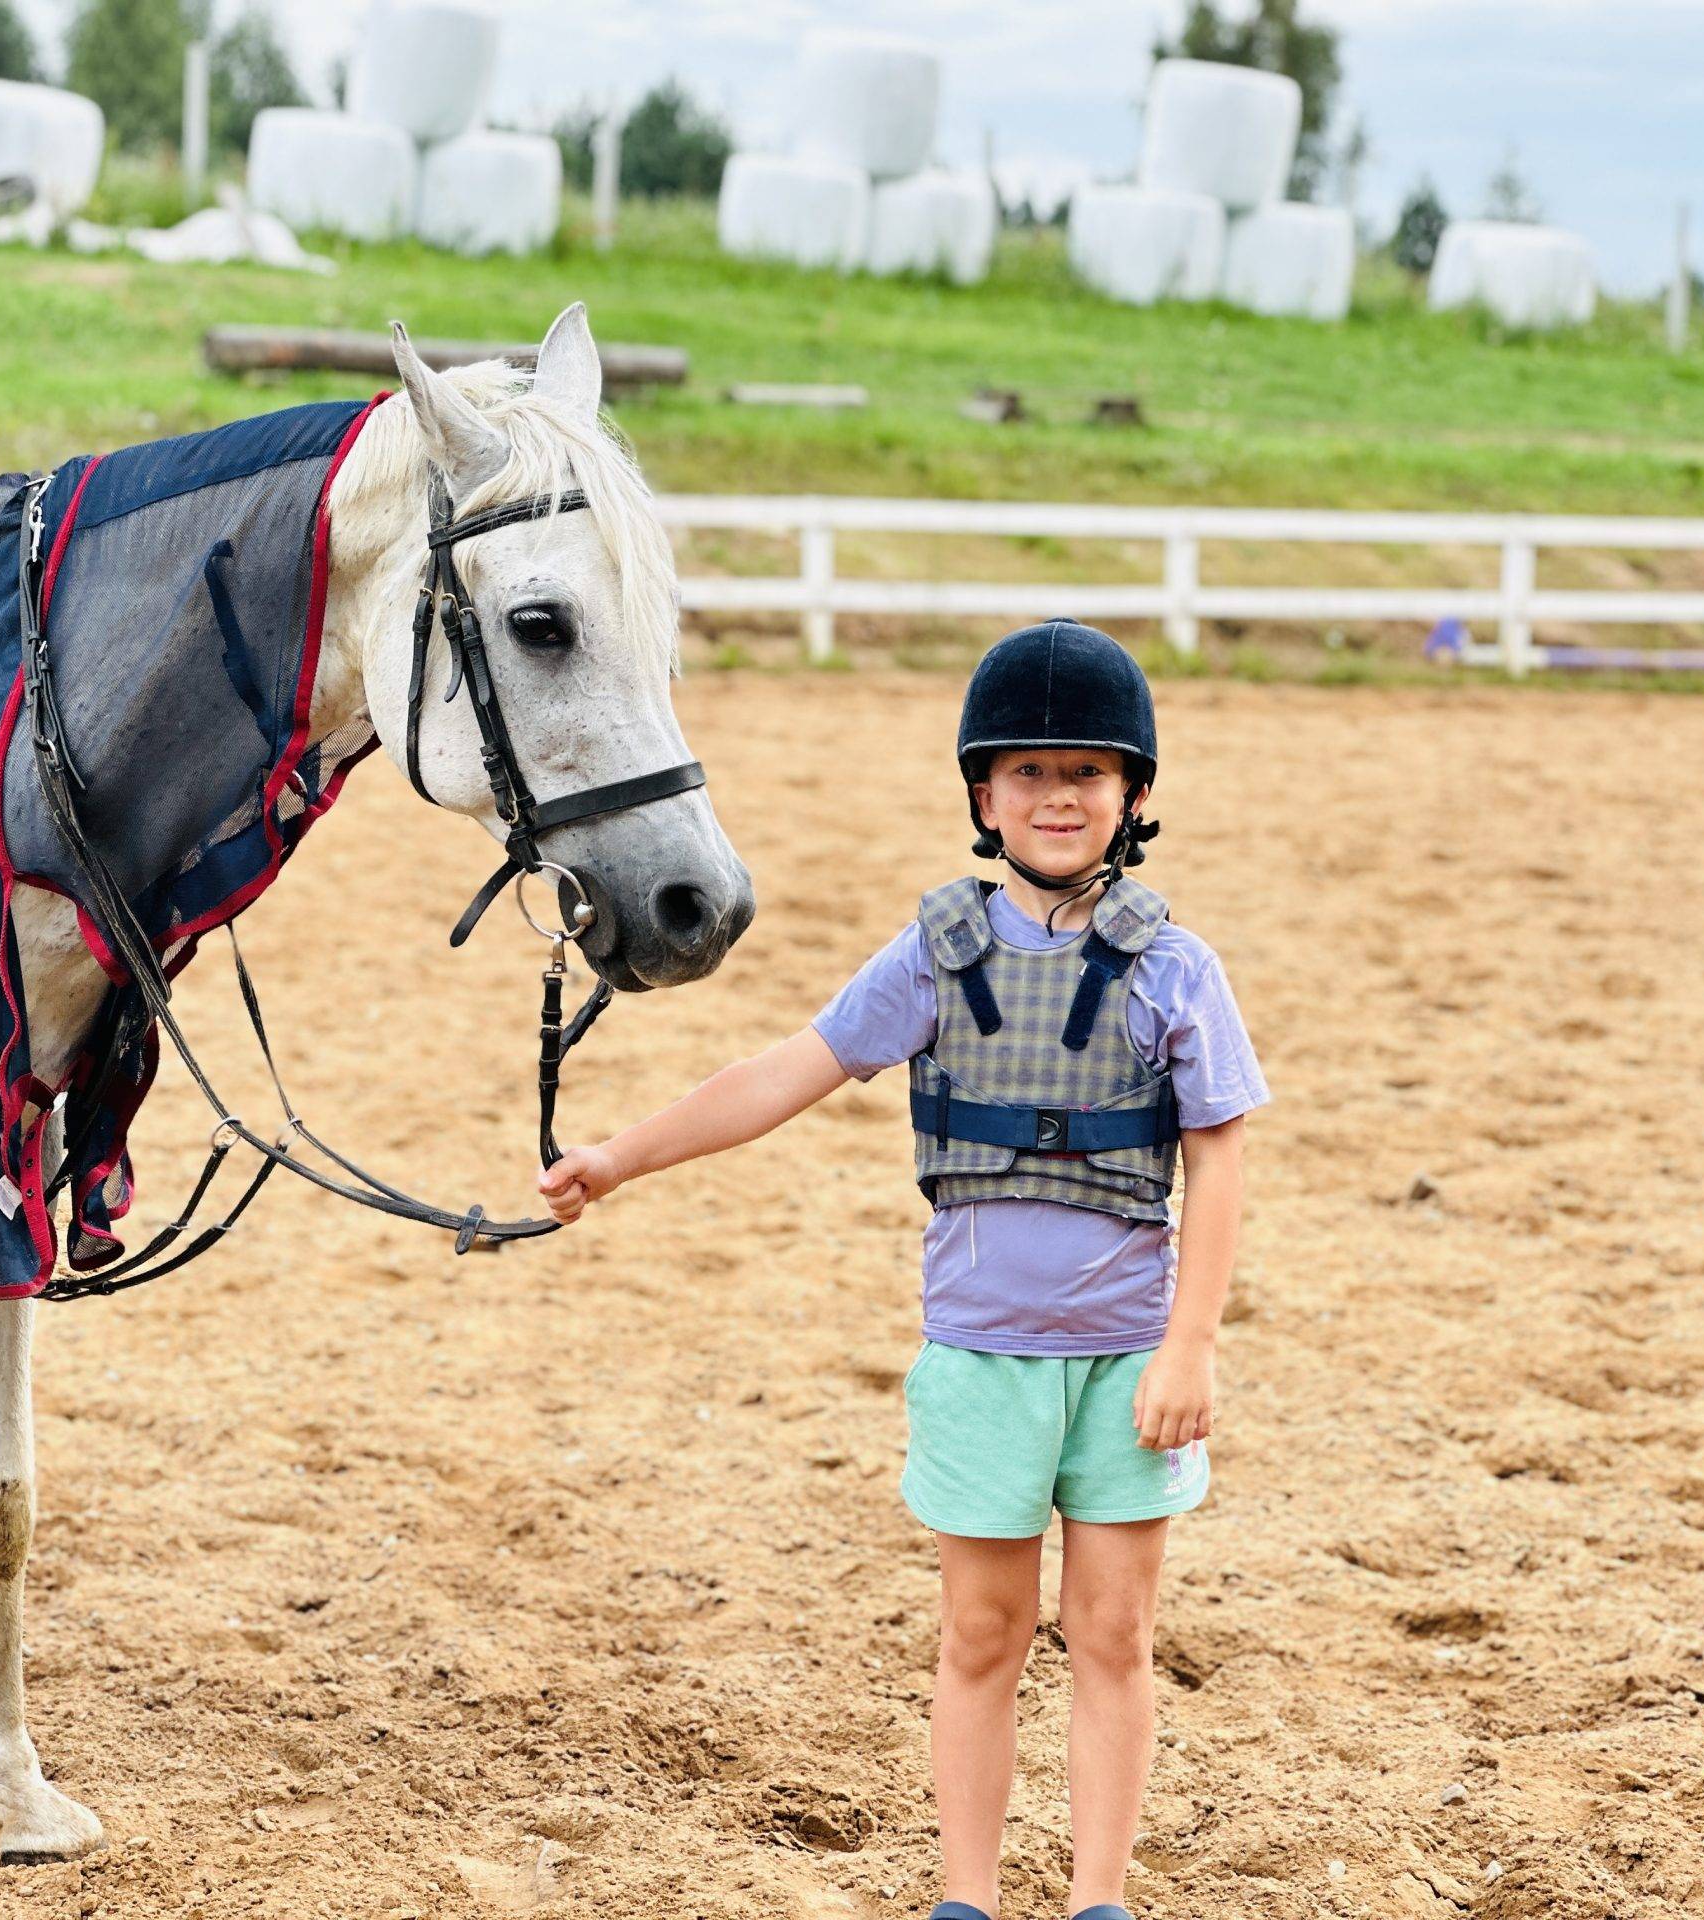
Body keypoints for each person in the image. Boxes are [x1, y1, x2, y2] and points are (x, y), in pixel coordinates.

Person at [539, 621, 1267, 1920]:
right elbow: (784, 1073)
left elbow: (1219, 1157)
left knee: (1112, 1637)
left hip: (1125, 1369)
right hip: (982, 1362)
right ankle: (968, 1898)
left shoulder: (1175, 967)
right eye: (1027, 773)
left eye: (1087, 774)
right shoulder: (935, 953)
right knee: (981, 1636)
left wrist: (1192, 1344)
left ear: (1133, 795)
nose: (1056, 796)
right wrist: (619, 1156)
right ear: (983, 795)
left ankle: (1100, 1896)